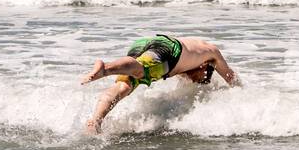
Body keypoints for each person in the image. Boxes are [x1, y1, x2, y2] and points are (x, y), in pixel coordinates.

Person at [79, 34, 238, 133]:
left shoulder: (196, 54)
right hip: (170, 50)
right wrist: (243, 95)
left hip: (145, 43)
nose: (195, 81)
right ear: (205, 66)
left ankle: (95, 121)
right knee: (142, 69)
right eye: (201, 78)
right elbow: (231, 77)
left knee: (123, 86)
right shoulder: (212, 54)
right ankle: (105, 69)